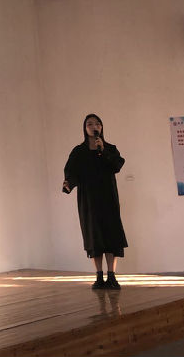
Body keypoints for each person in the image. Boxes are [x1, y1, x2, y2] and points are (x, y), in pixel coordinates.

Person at [63, 114, 127, 290]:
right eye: (90, 124)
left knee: (111, 235)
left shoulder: (110, 148)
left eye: (97, 123)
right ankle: (99, 276)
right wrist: (69, 183)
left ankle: (111, 276)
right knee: (94, 236)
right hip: (89, 199)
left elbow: (117, 166)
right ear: (85, 129)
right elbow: (71, 172)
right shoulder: (79, 151)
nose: (94, 126)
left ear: (102, 127)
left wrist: (103, 151)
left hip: (108, 197)